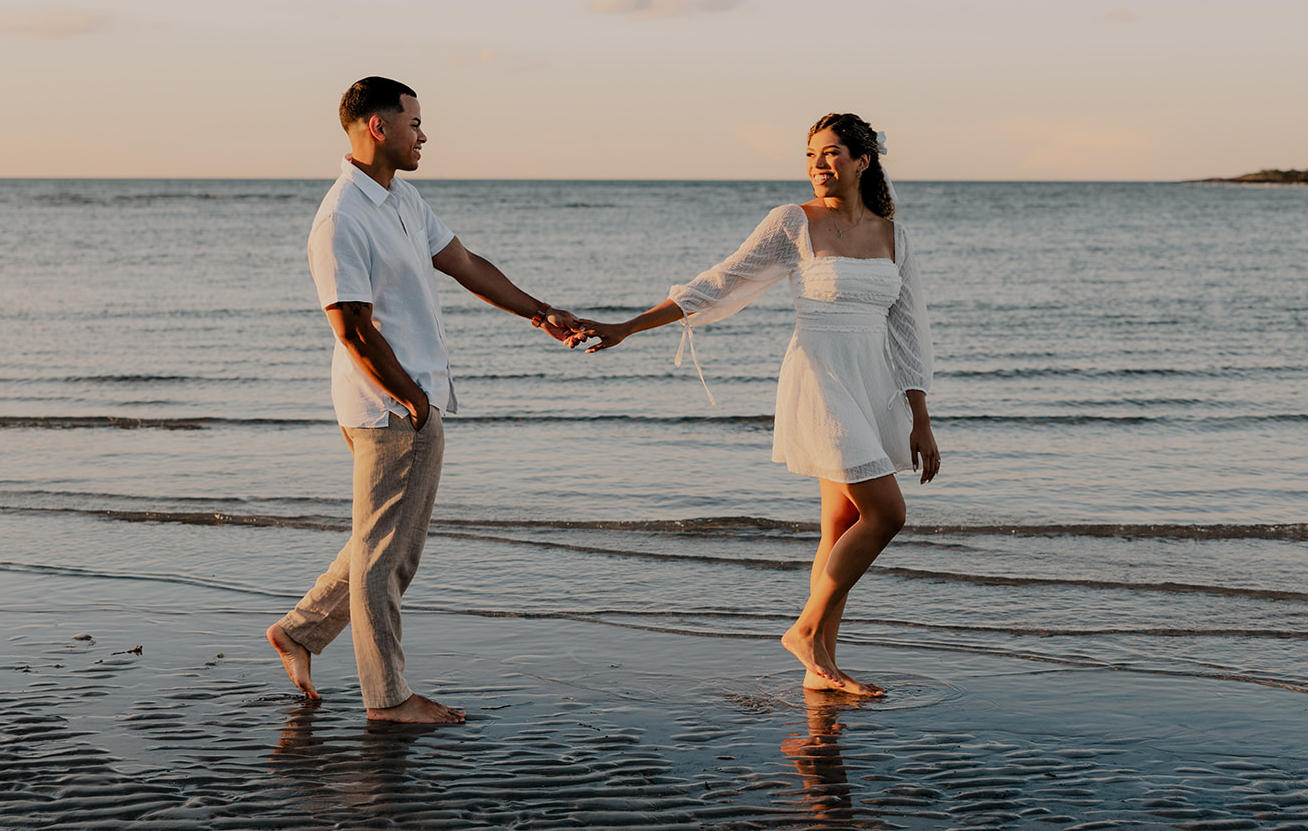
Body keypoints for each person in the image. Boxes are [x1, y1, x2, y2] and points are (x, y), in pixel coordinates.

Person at [571, 113, 938, 696]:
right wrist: (628, 326)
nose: (820, 164)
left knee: (841, 523)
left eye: (834, 152)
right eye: (812, 154)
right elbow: (720, 282)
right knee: (887, 515)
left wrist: (920, 416)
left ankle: (821, 667)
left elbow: (908, 329)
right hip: (820, 380)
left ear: (864, 161)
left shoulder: (893, 233)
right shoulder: (792, 222)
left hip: (875, 386)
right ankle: (805, 630)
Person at [267, 76, 581, 724]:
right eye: (414, 121)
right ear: (377, 126)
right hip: (389, 407)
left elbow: (465, 262)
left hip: (407, 400)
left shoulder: (400, 199)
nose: (424, 134)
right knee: (390, 558)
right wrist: (411, 401)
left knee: (378, 541)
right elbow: (351, 325)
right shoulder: (341, 218)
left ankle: (299, 632)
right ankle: (388, 698)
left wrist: (539, 313)